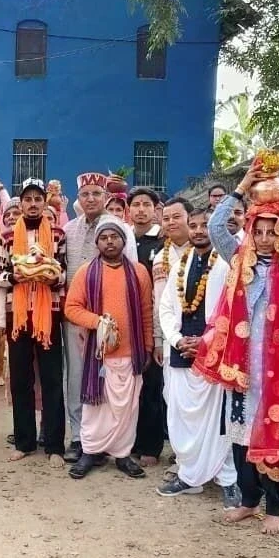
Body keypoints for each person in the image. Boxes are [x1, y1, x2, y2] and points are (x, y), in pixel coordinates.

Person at [196, 162, 279, 535]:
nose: (267, 237)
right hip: (242, 363)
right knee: (240, 433)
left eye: (274, 231)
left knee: (272, 432)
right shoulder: (239, 259)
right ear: (251, 231)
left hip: (278, 366)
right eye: (260, 230)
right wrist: (241, 187)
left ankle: (276, 505)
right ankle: (248, 500)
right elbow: (213, 227)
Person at [156, 202, 238, 504]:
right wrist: (177, 339)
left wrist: (207, 341)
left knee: (219, 418)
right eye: (194, 226)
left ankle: (228, 479)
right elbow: (165, 307)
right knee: (180, 415)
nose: (200, 231)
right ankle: (189, 475)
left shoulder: (229, 262)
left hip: (215, 353)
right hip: (181, 352)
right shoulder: (182, 263)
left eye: (205, 225)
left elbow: (233, 308)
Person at [64, 221, 153, 479]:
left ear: (124, 242)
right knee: (96, 408)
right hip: (98, 355)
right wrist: (98, 322)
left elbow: (146, 311)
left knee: (127, 408)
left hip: (130, 352)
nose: (110, 242)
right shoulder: (85, 272)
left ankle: (122, 455)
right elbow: (72, 308)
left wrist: (146, 346)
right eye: (105, 238)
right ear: (97, 243)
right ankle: (90, 452)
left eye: (115, 237)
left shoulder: (139, 272)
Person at [62, 173, 136, 462]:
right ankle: (80, 437)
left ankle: (110, 440)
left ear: (106, 197)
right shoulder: (68, 229)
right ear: (78, 199)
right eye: (85, 195)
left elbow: (129, 272)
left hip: (111, 320)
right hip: (75, 317)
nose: (90, 199)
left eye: (96, 194)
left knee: (111, 381)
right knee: (77, 377)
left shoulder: (119, 229)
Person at [0, 178, 68, 465]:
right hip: (18, 315)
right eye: (28, 199)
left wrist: (54, 277)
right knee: (20, 381)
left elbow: (64, 272)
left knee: (51, 380)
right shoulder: (8, 237)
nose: (33, 204)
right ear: (21, 204)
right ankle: (24, 442)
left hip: (48, 313)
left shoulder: (59, 235)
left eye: (38, 199)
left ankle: (54, 447)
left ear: (45, 203)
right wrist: (15, 277)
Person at [127, 187, 165, 467]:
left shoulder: (161, 243)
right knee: (127, 386)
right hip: (126, 320)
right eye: (136, 205)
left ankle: (150, 446)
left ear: (155, 209)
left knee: (152, 384)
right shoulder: (122, 239)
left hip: (153, 320)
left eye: (146, 205)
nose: (140, 209)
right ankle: (127, 442)